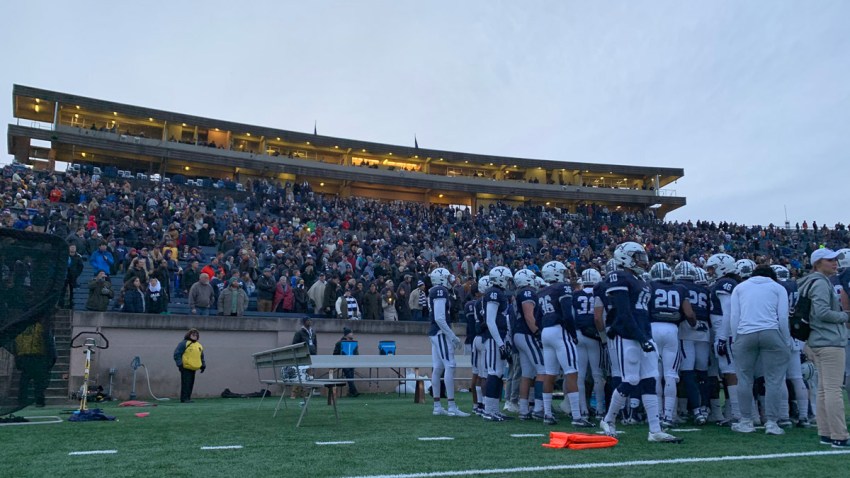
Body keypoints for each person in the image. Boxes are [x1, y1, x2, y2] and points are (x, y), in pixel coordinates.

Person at [599, 242, 681, 443]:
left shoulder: (640, 280)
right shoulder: (618, 276)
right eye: (637, 256)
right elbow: (624, 313)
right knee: (631, 379)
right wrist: (641, 337)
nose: (642, 260)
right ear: (625, 257)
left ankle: (655, 430)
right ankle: (608, 420)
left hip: (644, 333)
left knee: (650, 379)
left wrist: (646, 336)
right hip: (627, 335)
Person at [728, 265, 791, 435]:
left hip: (745, 332)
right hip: (771, 331)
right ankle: (771, 422)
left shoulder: (740, 287)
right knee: (773, 380)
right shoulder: (778, 288)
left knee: (744, 379)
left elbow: (734, 316)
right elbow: (783, 317)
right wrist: (786, 339)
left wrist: (736, 338)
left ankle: (746, 420)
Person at [800, 248, 850, 447]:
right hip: (828, 340)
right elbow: (821, 312)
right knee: (832, 389)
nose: (835, 263)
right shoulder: (820, 283)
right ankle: (839, 435)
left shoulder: (811, 281)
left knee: (823, 389)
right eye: (830, 260)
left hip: (817, 340)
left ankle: (827, 432)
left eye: (835, 260)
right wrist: (845, 316)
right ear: (818, 263)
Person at [537, 261, 589, 426]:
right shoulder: (562, 288)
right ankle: (576, 416)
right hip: (560, 330)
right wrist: (572, 333)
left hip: (546, 331)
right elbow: (567, 314)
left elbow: (537, 317)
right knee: (571, 372)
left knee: (549, 373)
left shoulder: (541, 291)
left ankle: (547, 414)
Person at [647, 262, 695, 427]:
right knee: (670, 374)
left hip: (652, 328)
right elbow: (689, 313)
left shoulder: (649, 286)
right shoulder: (680, 288)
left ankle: (657, 414)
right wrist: (694, 324)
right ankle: (668, 415)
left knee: (655, 374)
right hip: (671, 330)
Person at [705, 253, 742, 425]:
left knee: (729, 371)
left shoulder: (724, 284)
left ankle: (737, 413)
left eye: (713, 268)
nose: (711, 272)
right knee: (730, 371)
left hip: (725, 330)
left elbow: (728, 311)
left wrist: (721, 336)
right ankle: (736, 412)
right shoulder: (731, 283)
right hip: (728, 330)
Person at [427, 267, 469, 417]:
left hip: (435, 332)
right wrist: (452, 336)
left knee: (438, 367)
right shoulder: (440, 291)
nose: (451, 280)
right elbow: (439, 318)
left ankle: (437, 406)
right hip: (440, 333)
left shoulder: (436, 290)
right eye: (448, 277)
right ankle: (451, 405)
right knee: (450, 365)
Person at [511, 269, 545, 420]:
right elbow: (529, 316)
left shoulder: (521, 293)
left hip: (520, 334)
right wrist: (537, 333)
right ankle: (538, 408)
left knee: (526, 373)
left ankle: (524, 409)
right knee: (542, 369)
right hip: (526, 333)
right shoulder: (527, 293)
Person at [480, 266, 513, 421]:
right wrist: (500, 343)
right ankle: (489, 410)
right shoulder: (494, 293)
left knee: (498, 373)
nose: (508, 282)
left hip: (497, 337)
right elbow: (490, 321)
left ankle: (494, 409)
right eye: (506, 279)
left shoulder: (497, 292)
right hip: (494, 338)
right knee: (494, 372)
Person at [13, 319, 57, 407]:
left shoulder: (20, 328)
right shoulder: (39, 327)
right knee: (37, 381)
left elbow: (15, 344)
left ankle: (23, 401)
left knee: (26, 381)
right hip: (36, 357)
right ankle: (38, 401)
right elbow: (48, 342)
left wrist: (17, 359)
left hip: (27, 356)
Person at [173, 328, 206, 403]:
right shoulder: (184, 343)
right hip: (185, 367)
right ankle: (184, 398)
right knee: (186, 383)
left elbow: (201, 356)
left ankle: (188, 397)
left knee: (190, 383)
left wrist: (203, 365)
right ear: (189, 335)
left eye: (196, 335)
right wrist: (180, 364)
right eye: (193, 334)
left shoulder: (199, 345)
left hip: (193, 367)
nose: (195, 336)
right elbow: (177, 354)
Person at [332, 327, 360, 397]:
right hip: (342, 362)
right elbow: (335, 354)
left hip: (352, 362)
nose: (352, 334)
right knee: (348, 372)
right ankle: (354, 391)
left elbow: (356, 353)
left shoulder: (354, 343)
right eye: (351, 333)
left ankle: (351, 391)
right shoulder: (339, 343)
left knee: (350, 373)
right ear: (347, 334)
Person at [63, 244, 84, 309]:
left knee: (72, 291)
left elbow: (80, 267)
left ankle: (70, 304)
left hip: (73, 277)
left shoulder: (78, 257)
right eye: (71, 247)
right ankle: (61, 304)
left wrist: (76, 274)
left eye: (74, 247)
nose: (73, 249)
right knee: (62, 290)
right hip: (65, 276)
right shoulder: (65, 256)